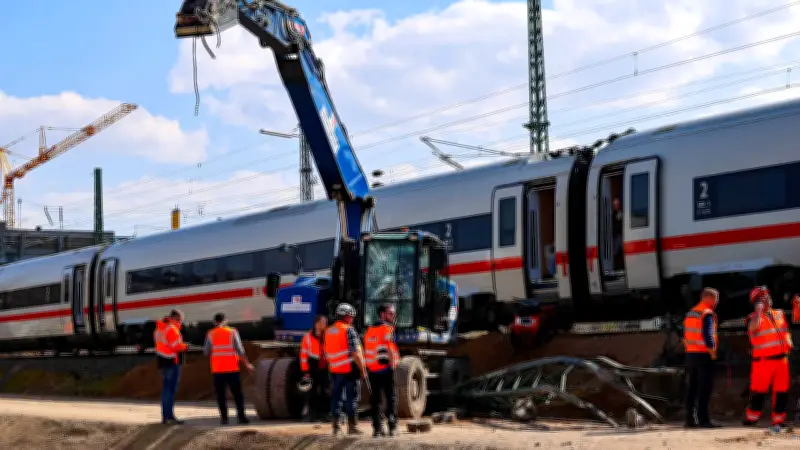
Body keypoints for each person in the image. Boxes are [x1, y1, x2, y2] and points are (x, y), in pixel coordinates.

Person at [743, 286, 794, 430]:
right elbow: (753, 327)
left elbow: (795, 320)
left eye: (767, 295)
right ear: (756, 302)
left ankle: (778, 420)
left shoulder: (779, 313)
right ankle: (752, 418)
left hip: (782, 360)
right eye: (762, 297)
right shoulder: (752, 317)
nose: (767, 298)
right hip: (763, 361)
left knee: (781, 391)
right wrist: (758, 312)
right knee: (758, 391)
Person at [203, 312, 255, 425]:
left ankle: (224, 418)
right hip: (232, 368)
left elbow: (206, 352)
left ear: (214, 322)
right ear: (225, 321)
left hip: (217, 369)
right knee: (237, 394)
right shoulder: (232, 332)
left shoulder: (210, 334)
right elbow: (240, 350)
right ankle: (241, 417)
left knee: (221, 395)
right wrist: (247, 364)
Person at [324, 303, 367, 436]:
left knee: (336, 398)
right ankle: (352, 427)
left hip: (334, 370)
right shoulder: (349, 330)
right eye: (351, 316)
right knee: (351, 399)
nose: (352, 319)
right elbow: (355, 353)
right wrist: (363, 370)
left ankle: (336, 428)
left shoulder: (328, 331)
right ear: (347, 317)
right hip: (349, 370)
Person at [682, 288, 721, 428]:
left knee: (691, 388)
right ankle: (704, 420)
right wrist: (713, 354)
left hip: (690, 355)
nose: (717, 301)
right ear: (708, 298)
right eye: (716, 298)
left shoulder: (690, 313)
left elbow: (684, 335)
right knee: (704, 389)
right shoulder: (707, 313)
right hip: (704, 355)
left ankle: (690, 419)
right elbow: (708, 336)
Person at [364, 303, 400, 437]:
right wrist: (393, 366)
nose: (393, 316)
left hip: (373, 370)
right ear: (382, 314)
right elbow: (390, 348)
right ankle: (392, 427)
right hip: (386, 370)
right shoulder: (387, 329)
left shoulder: (369, 330)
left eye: (393, 313)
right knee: (391, 399)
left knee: (376, 401)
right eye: (390, 313)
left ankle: (377, 429)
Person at [154, 309, 189, 425]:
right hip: (172, 362)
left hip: (162, 362)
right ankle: (170, 416)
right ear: (176, 318)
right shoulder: (172, 329)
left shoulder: (159, 328)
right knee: (171, 391)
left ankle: (165, 417)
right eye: (181, 319)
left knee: (166, 390)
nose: (181, 322)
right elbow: (176, 346)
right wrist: (185, 346)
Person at [300, 314, 329, 422]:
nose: (325, 325)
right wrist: (305, 371)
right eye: (323, 323)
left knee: (325, 391)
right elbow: (303, 356)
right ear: (317, 324)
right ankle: (312, 415)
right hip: (312, 366)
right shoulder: (307, 337)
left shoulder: (328, 336)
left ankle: (324, 414)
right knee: (311, 392)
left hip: (325, 366)